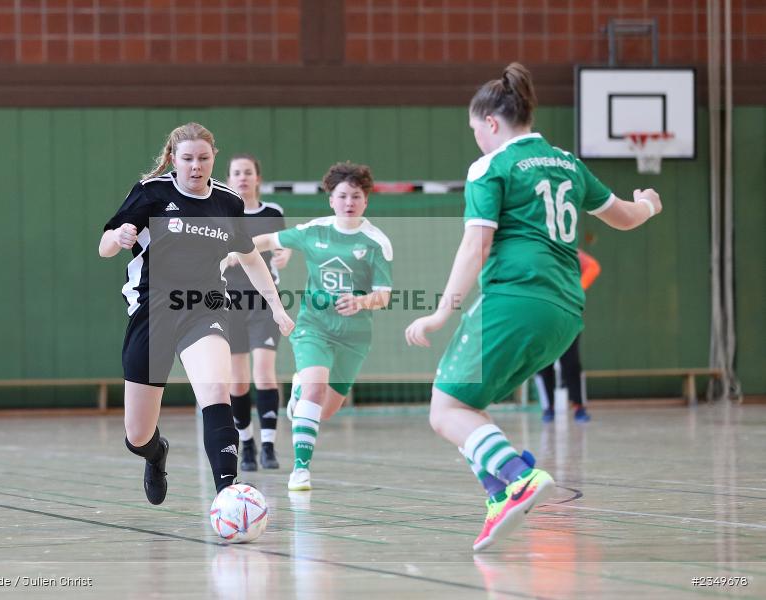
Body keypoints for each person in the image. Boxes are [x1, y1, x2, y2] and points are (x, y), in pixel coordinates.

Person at [404, 63, 662, 552]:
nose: (476, 138)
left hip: (515, 298)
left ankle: (515, 478)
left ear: (492, 123)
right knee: (470, 408)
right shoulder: (565, 161)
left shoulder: (491, 166)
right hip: (565, 310)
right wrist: (648, 203)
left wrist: (441, 312)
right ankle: (499, 493)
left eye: (475, 129)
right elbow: (626, 217)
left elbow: (475, 247)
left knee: (445, 408)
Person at [98, 122, 294, 507]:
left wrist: (277, 307)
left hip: (204, 308)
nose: (195, 166)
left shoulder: (227, 203)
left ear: (213, 159)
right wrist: (119, 237)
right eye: (187, 159)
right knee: (137, 434)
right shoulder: (151, 193)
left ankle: (229, 496)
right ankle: (156, 454)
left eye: (203, 159)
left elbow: (251, 257)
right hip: (152, 311)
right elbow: (104, 246)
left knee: (215, 391)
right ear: (173, 158)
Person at [252, 161, 393, 492]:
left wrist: (361, 301)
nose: (348, 202)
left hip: (355, 336)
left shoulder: (376, 242)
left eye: (355, 196)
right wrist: (231, 250)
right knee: (316, 390)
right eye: (342, 195)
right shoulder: (315, 230)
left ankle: (299, 392)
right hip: (313, 326)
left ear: (365, 201)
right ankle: (301, 470)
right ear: (331, 199)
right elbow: (268, 240)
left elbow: (384, 296)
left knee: (325, 410)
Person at [223, 154, 291, 471]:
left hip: (264, 300)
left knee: (264, 372)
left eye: (248, 172)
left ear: (257, 178)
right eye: (236, 173)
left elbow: (282, 244)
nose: (242, 178)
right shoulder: (222, 212)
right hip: (229, 300)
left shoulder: (273, 212)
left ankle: (268, 445)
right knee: (238, 380)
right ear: (229, 177)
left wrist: (283, 253)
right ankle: (246, 443)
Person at [536, 248, 601, 423]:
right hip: (540, 317)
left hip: (568, 317)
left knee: (571, 363)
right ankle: (547, 408)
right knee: (542, 364)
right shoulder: (534, 249)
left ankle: (579, 406)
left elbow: (593, 266)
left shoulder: (567, 248)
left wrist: (576, 289)